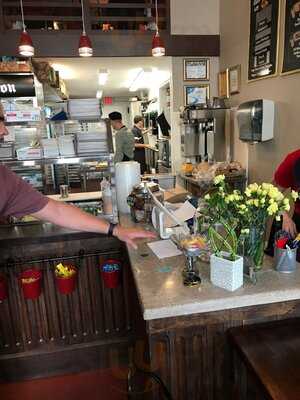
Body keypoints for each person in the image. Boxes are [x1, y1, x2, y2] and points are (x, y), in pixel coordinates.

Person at [0, 109, 155, 249]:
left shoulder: (5, 179)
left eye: (4, 122)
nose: (4, 131)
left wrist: (115, 229)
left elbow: (57, 211)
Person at [265, 150, 300, 257]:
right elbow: (272, 192)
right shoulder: (293, 159)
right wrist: (284, 216)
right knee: (283, 259)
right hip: (297, 223)